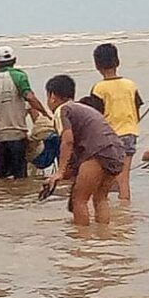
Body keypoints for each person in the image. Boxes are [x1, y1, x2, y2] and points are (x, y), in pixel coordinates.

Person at [41, 74, 124, 225]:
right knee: (100, 198)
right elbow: (74, 155)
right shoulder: (82, 108)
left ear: (52, 96)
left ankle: (82, 243)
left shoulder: (62, 110)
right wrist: (61, 175)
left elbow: (68, 141)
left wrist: (59, 172)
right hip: (117, 151)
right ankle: (104, 239)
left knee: (79, 200)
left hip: (97, 152)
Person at [0, 46, 47, 180]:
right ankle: (19, 199)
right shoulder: (19, 76)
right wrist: (45, 113)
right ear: (14, 60)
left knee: (0, 174)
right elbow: (30, 97)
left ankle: (2, 198)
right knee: (20, 175)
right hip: (17, 133)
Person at [90, 43, 142, 201]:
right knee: (124, 178)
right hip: (130, 134)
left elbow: (95, 117)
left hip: (109, 137)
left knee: (104, 179)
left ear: (97, 65)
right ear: (117, 61)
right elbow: (137, 111)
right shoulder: (130, 85)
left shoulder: (99, 88)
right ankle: (125, 209)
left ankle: (109, 211)